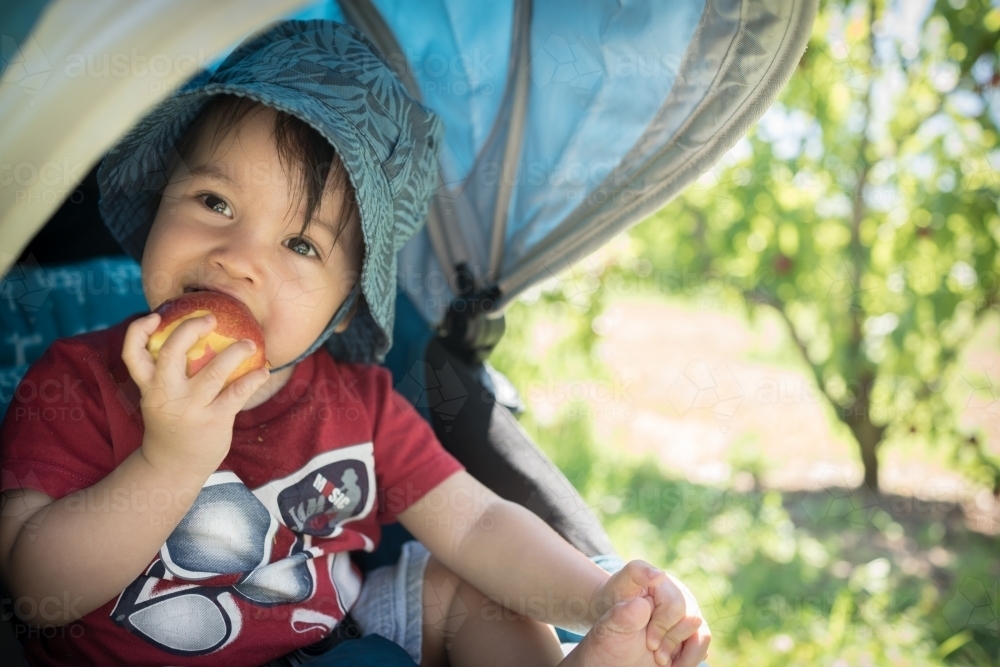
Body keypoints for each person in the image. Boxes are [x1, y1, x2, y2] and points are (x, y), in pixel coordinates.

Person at [0, 20, 711, 667]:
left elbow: (480, 523)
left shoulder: (360, 408)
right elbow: (36, 590)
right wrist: (168, 460)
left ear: (344, 311)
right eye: (214, 202)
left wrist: (598, 593)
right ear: (159, 202)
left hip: (331, 639)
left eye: (300, 243)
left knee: (471, 588)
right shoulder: (80, 380)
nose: (238, 257)